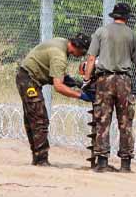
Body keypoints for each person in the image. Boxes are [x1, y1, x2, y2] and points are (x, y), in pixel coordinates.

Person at [84, 2, 136, 173]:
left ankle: (103, 162)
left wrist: (86, 79)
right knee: (125, 122)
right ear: (127, 18)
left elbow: (91, 58)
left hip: (104, 80)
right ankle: (126, 164)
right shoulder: (132, 35)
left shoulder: (101, 32)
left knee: (103, 120)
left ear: (113, 16)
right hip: (124, 82)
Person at [17, 33, 92, 166]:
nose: (83, 55)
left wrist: (76, 83)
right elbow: (58, 86)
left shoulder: (61, 42)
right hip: (29, 80)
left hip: (26, 76)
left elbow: (57, 73)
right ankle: (41, 160)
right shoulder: (59, 56)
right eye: (83, 52)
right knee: (39, 119)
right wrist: (80, 95)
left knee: (32, 117)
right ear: (78, 47)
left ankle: (37, 157)